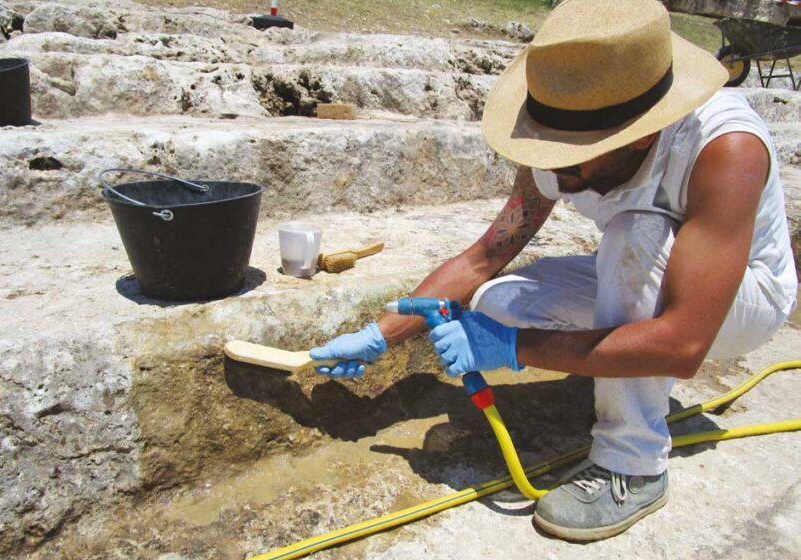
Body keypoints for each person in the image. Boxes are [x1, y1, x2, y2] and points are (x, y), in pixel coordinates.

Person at [309, 0, 798, 542]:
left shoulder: (725, 147)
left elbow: (684, 344)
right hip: (645, 274)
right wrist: (380, 336)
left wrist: (515, 349)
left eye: (570, 155)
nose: (550, 165)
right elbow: (483, 256)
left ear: (636, 135)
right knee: (503, 299)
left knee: (634, 232)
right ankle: (619, 376)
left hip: (738, 305)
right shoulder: (558, 138)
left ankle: (632, 465)